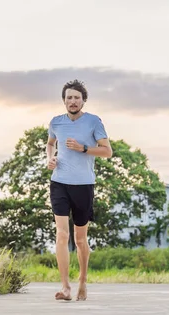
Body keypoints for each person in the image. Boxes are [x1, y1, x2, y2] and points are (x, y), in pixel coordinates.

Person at [46, 79, 113, 301]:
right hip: (59, 183)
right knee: (62, 234)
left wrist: (83, 148)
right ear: (64, 101)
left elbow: (107, 152)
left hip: (83, 185)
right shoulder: (56, 122)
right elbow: (50, 143)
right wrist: (50, 158)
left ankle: (83, 281)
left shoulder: (94, 122)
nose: (72, 101)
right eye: (69, 98)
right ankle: (65, 287)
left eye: (76, 97)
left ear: (83, 100)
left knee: (81, 240)